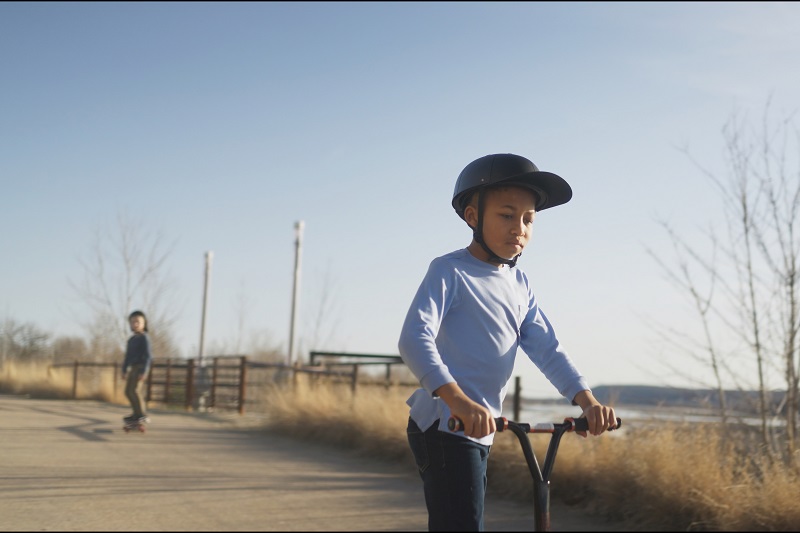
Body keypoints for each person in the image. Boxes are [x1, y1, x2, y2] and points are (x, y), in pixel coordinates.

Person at [398, 153, 618, 532]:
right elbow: (414, 338)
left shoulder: (520, 285)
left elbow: (548, 349)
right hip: (445, 423)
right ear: (472, 217)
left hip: (479, 426)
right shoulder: (450, 271)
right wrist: (458, 400)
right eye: (506, 214)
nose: (519, 227)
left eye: (529, 219)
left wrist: (588, 402)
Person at [122, 310, 152, 424]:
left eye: (138, 322)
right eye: (133, 322)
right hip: (133, 368)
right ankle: (136, 414)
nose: (135, 324)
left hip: (141, 367)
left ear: (144, 324)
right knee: (128, 391)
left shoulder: (144, 338)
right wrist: (124, 370)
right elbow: (127, 357)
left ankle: (142, 415)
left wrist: (144, 371)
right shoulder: (131, 340)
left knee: (135, 390)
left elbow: (149, 356)